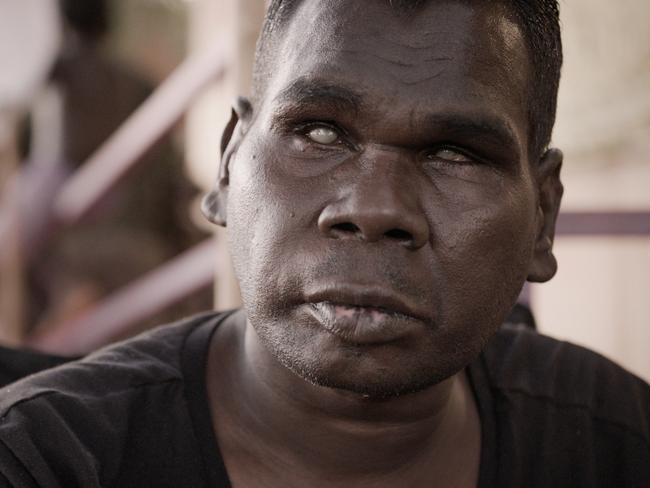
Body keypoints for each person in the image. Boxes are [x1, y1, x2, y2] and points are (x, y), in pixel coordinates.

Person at [1, 0, 649, 486]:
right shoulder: (43, 460)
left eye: (455, 153)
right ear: (229, 165)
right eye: (318, 133)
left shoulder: (617, 441)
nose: (374, 209)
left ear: (543, 215)